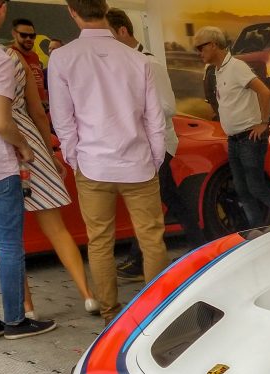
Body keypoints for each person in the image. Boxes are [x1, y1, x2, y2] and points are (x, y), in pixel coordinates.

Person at [48, 0, 167, 323]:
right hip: (139, 162)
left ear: (73, 12)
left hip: (92, 165)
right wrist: (154, 158)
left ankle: (110, 316)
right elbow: (154, 118)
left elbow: (63, 119)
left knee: (100, 241)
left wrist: (76, 158)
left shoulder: (62, 58)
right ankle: (154, 315)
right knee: (152, 239)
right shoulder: (136, 58)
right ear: (104, 9)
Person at [4, 30, 99, 318]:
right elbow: (38, 111)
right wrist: (48, 151)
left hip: (1, 151)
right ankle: (87, 295)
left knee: (9, 238)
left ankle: (27, 308)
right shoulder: (13, 58)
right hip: (28, 140)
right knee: (56, 228)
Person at [106, 7, 205, 281]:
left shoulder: (148, 63)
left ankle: (142, 259)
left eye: (109, 36)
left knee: (151, 202)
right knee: (165, 200)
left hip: (159, 146)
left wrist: (133, 110)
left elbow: (168, 107)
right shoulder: (127, 64)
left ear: (123, 31)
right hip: (145, 146)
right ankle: (200, 245)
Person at [0, 0, 55, 340]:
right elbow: (2, 122)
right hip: (0, 168)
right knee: (8, 246)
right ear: (1, 10)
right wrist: (25, 145)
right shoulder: (2, 60)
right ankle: (15, 321)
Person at [194, 26, 270, 229]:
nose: (199, 53)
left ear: (213, 45)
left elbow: (264, 91)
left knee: (255, 187)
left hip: (249, 138)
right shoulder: (218, 70)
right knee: (243, 189)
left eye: (200, 48)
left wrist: (263, 122)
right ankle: (256, 228)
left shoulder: (236, 67)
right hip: (235, 139)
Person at [9, 18, 48, 111]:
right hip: (22, 110)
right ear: (14, 34)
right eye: (23, 35)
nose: (28, 39)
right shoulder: (9, 55)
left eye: (32, 36)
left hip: (41, 108)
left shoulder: (34, 56)